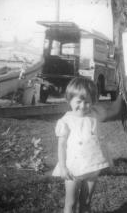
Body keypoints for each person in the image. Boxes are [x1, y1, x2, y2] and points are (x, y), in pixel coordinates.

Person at [52, 77, 123, 213]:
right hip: (73, 168)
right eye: (78, 101)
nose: (83, 106)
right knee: (71, 203)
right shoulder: (65, 121)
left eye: (88, 102)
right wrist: (63, 167)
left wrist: (122, 95)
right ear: (69, 99)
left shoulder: (95, 114)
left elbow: (113, 111)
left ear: (93, 102)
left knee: (86, 201)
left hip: (92, 166)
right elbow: (61, 146)